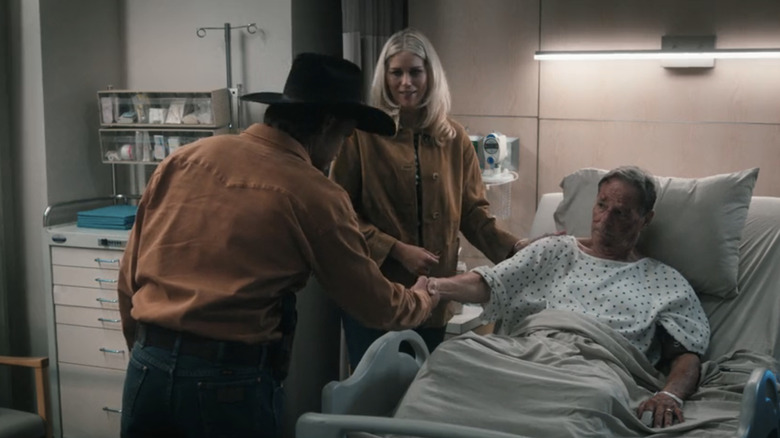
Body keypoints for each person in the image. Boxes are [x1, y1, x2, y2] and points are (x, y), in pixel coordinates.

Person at [116, 53, 439, 438]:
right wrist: (423, 298)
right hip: (227, 385)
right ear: (328, 125)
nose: (340, 149)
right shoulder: (315, 194)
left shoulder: (186, 159)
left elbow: (128, 275)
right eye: (345, 135)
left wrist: (151, 355)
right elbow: (374, 304)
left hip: (146, 369)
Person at [427, 166, 710, 429]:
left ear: (645, 219)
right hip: (526, 353)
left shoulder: (664, 281)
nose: (605, 219)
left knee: (595, 398)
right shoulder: (553, 250)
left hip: (596, 369)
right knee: (449, 357)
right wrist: (435, 287)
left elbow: (686, 354)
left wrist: (670, 395)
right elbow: (490, 283)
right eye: (601, 205)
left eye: (621, 213)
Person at [330, 28, 525, 369]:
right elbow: (340, 213)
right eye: (397, 73)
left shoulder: (454, 139)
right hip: (375, 292)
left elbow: (472, 213)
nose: (406, 82)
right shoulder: (361, 136)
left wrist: (517, 250)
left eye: (415, 72)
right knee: (375, 397)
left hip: (432, 297)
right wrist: (395, 249)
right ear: (385, 77)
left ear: (430, 75)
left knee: (419, 395)